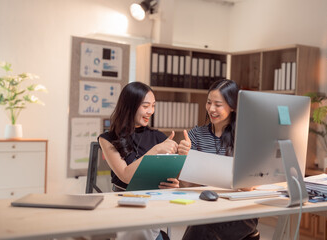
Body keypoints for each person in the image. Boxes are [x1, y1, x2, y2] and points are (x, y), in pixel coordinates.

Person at [178, 79, 259, 240]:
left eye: (218, 104)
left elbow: (249, 186)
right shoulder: (195, 135)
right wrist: (183, 159)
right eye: (209, 103)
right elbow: (186, 184)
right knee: (203, 224)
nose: (211, 109)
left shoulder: (245, 137)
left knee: (203, 227)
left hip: (239, 213)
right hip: (206, 209)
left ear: (233, 106)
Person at [98, 81, 179, 240]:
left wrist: (173, 184)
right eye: (145, 106)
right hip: (124, 203)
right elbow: (125, 175)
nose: (151, 111)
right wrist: (155, 150)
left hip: (153, 203)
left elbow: (168, 176)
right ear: (130, 106)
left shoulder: (158, 137)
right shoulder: (107, 139)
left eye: (153, 106)